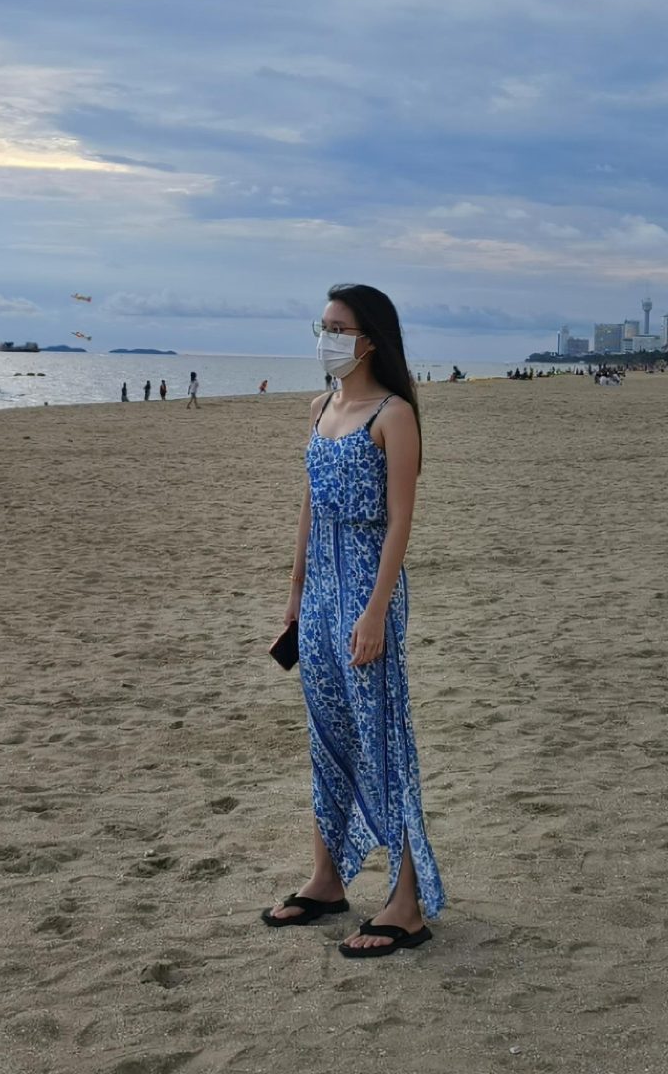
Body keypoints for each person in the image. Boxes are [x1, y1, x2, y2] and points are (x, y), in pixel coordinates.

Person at [262, 283, 443, 958]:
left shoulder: (394, 415)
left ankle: (406, 903)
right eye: (322, 325)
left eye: (338, 328)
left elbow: (400, 520)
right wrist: (295, 592)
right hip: (319, 593)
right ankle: (327, 879)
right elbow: (309, 506)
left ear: (370, 339)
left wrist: (375, 612)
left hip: (369, 590)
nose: (326, 338)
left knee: (381, 736)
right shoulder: (321, 408)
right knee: (328, 733)